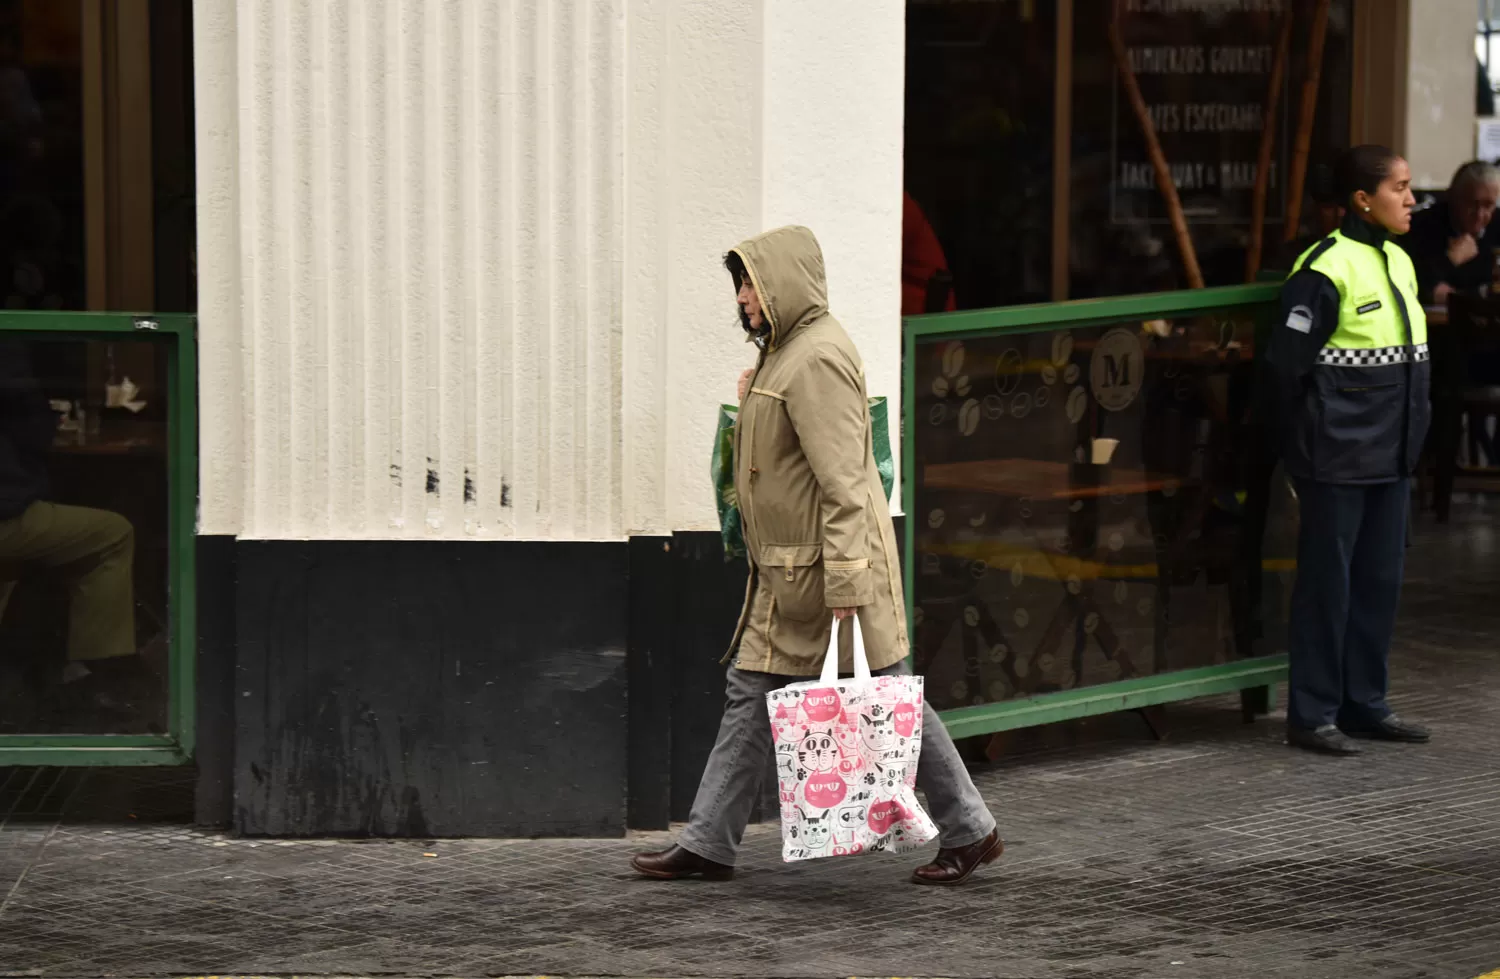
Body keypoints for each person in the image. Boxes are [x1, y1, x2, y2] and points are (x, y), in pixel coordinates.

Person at [631, 226, 1000, 884]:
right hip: (791, 575)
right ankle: (709, 839)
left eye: (750, 283)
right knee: (750, 693)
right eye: (739, 285)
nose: (742, 297)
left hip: (829, 576)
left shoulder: (817, 357)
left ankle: (970, 827)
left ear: (781, 285)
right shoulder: (785, 353)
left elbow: (845, 484)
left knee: (888, 697)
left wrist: (847, 586)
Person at [1265, 146, 1432, 756]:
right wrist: (1300, 450)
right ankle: (1312, 714)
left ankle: (1366, 704)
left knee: (1378, 584)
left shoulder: (1399, 261)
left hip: (1391, 456)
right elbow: (1286, 368)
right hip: (1336, 457)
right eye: (1401, 187)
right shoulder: (1324, 268)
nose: (1413, 199)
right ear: (1364, 199)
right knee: (1326, 588)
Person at [0, 340, 145, 725]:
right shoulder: (8, 346)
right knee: (112, 533)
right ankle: (97, 672)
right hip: (5, 520)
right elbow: (33, 430)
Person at [1398, 160, 1500, 305]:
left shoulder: (1497, 224)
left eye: (1488, 205)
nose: (1479, 214)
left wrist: (1460, 296)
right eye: (1472, 204)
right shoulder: (1419, 226)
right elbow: (1414, 287)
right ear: (1452, 196)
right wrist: (1451, 259)